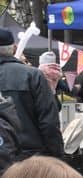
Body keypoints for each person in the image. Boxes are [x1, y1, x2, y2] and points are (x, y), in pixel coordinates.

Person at [0, 28, 62, 159]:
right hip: (31, 158)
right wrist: (56, 157)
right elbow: (49, 122)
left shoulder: (33, 75)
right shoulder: (33, 75)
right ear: (14, 48)